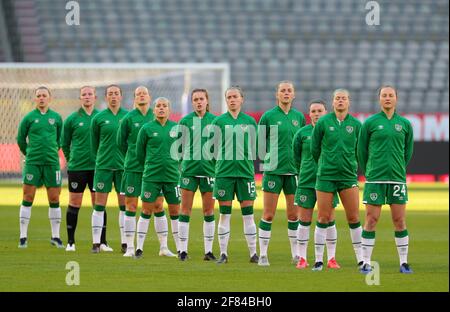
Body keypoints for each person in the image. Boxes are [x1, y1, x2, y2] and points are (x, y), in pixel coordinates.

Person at [357, 86, 414, 274]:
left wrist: (398, 168)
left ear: (396, 99)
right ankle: (365, 261)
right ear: (379, 99)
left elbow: (408, 152)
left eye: (390, 95)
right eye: (384, 95)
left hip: (397, 179)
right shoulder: (370, 123)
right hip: (375, 179)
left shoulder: (405, 124)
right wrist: (370, 170)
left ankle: (404, 262)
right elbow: (361, 151)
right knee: (371, 219)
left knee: (399, 220)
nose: (387, 98)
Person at [311, 89, 363, 271]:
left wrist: (352, 164)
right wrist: (325, 164)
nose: (340, 101)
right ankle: (319, 260)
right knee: (323, 217)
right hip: (326, 175)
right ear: (333, 103)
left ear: (349, 102)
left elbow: (360, 149)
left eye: (343, 98)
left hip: (348, 176)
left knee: (354, 217)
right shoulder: (324, 122)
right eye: (337, 98)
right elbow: (315, 148)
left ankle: (361, 260)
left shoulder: (356, 124)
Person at [257, 81, 306, 266]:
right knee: (268, 214)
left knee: (294, 215)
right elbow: (260, 144)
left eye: (289, 91)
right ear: (277, 95)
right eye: (282, 91)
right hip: (273, 171)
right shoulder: (268, 116)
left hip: (293, 172)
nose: (286, 93)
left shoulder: (299, 117)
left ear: (293, 95)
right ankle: (263, 254)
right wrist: (268, 162)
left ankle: (295, 254)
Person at [117, 86, 170, 257]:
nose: (141, 95)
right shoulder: (128, 119)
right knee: (130, 206)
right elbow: (120, 143)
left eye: (144, 93)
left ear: (149, 97)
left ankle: (164, 247)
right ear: (134, 98)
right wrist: (134, 158)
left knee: (158, 205)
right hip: (133, 168)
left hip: (155, 171)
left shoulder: (156, 116)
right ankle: (130, 247)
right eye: (138, 93)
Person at [211, 86, 258, 264]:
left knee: (248, 214)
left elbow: (254, 146)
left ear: (241, 99)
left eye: (235, 96)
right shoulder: (219, 122)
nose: (232, 99)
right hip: (224, 173)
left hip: (245, 173)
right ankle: (223, 253)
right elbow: (212, 148)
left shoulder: (250, 122)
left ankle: (253, 253)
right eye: (229, 97)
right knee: (225, 214)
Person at [292, 100, 340, 269]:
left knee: (329, 219)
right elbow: (296, 156)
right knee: (304, 220)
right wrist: (304, 171)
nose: (317, 113)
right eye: (313, 111)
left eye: (320, 110)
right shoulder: (302, 133)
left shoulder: (333, 132)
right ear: (309, 113)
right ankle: (302, 258)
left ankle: (331, 258)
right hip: (306, 181)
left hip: (327, 180)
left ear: (326, 112)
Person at [62, 86, 108, 251]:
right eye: (84, 94)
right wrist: (71, 159)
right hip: (78, 168)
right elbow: (64, 143)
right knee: (75, 203)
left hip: (98, 168)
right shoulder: (72, 119)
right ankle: (71, 242)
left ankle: (102, 242)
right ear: (80, 98)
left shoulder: (101, 117)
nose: (87, 97)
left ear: (95, 97)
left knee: (100, 204)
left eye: (90, 94)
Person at [17, 86, 63, 248]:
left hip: (52, 163)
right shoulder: (28, 118)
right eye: (39, 96)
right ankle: (23, 237)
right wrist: (29, 153)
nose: (41, 98)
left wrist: (50, 152)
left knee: (55, 198)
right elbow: (21, 139)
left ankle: (55, 237)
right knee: (28, 197)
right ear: (35, 99)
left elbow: (60, 140)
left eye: (44, 95)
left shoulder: (56, 118)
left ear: (49, 98)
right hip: (33, 163)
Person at [135, 97, 180, 258]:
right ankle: (139, 248)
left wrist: (173, 165)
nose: (161, 108)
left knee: (175, 211)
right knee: (147, 210)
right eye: (158, 106)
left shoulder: (176, 128)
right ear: (153, 110)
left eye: (164, 106)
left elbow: (181, 152)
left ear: (169, 109)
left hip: (172, 177)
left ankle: (178, 249)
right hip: (151, 177)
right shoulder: (146, 129)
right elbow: (140, 154)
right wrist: (150, 165)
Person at [177, 89, 217, 261]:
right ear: (192, 102)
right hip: (189, 172)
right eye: (195, 99)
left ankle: (208, 251)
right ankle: (182, 250)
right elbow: (178, 148)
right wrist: (184, 165)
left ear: (207, 101)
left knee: (208, 211)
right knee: (185, 210)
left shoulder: (216, 121)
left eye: (201, 99)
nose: (199, 102)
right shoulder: (185, 121)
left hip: (209, 172)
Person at [90, 85, 128, 253]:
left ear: (121, 96)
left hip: (123, 168)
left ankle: (125, 242)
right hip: (103, 166)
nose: (113, 96)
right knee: (99, 205)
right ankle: (96, 243)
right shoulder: (98, 118)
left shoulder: (128, 117)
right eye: (110, 94)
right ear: (106, 97)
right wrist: (101, 158)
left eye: (116, 93)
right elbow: (94, 144)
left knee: (124, 206)